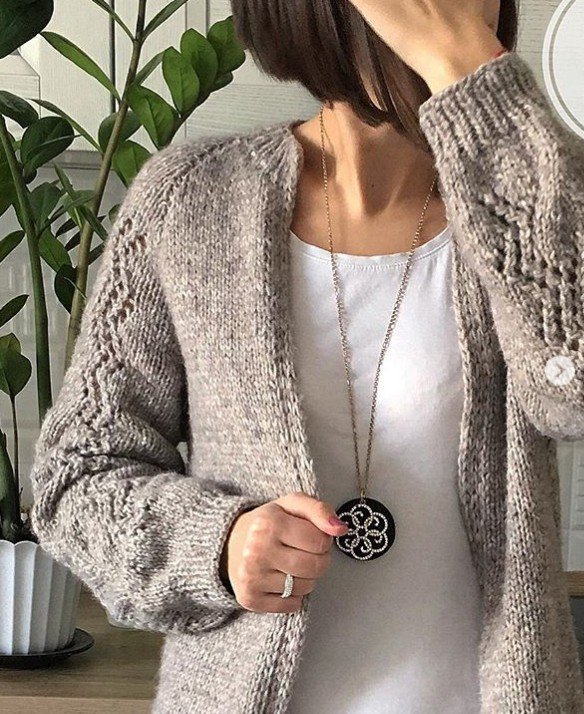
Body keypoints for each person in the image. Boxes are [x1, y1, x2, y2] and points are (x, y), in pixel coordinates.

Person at [29, 0, 584, 712]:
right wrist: (217, 544)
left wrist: (472, 75)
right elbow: (76, 477)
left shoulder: (533, 208)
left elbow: (570, 393)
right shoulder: (192, 201)